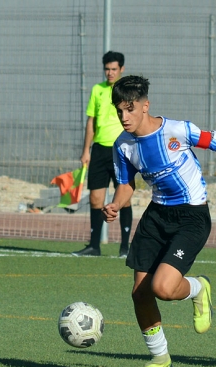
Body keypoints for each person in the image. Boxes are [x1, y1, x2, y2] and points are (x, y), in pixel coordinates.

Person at [102, 75, 216, 367]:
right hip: (157, 216)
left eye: (129, 109)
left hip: (192, 216)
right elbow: (126, 185)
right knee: (140, 293)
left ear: (146, 105)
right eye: (119, 111)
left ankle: (198, 287)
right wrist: (116, 203)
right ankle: (160, 360)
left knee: (163, 288)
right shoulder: (122, 145)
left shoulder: (177, 130)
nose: (124, 117)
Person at [72, 51, 133, 258]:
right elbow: (91, 122)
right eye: (107, 69)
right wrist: (85, 151)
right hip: (99, 150)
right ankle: (94, 246)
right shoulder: (97, 90)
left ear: (121, 69)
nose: (110, 73)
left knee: (124, 198)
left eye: (114, 69)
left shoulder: (128, 90)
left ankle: (125, 247)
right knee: (96, 199)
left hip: (122, 150)